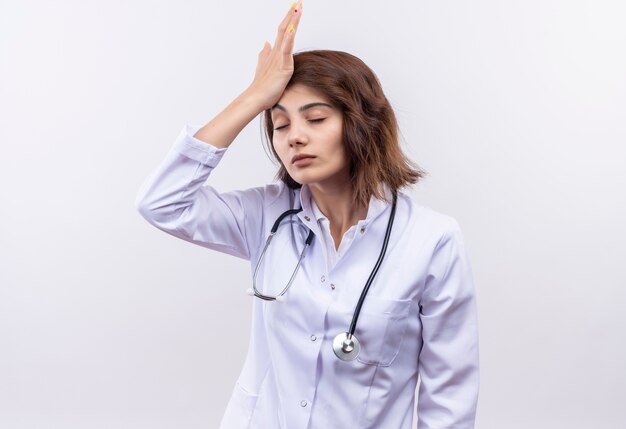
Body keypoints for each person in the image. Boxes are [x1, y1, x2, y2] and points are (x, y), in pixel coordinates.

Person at [135, 1, 479, 428]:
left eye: (315, 118)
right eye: (280, 125)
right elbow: (161, 203)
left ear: (362, 124)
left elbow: (449, 395)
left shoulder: (432, 240)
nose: (295, 137)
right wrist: (253, 97)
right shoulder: (264, 217)